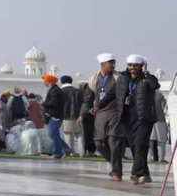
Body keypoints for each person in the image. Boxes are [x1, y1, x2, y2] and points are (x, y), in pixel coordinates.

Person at [97, 55, 160, 185]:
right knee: (135, 147)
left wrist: (146, 73)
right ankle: (146, 174)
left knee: (140, 145)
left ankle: (135, 172)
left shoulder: (147, 79)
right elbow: (112, 94)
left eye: (135, 65)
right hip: (126, 118)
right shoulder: (122, 79)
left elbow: (155, 85)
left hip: (143, 118)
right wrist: (99, 105)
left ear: (142, 66)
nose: (132, 68)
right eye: (130, 65)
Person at [81, 54, 123, 180]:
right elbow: (88, 100)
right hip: (100, 112)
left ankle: (116, 172)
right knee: (98, 142)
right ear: (102, 64)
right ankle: (116, 164)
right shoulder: (93, 80)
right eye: (110, 63)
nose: (113, 65)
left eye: (114, 62)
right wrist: (82, 114)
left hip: (115, 111)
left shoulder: (118, 78)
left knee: (113, 140)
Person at [41, 75, 71, 160]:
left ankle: (57, 153)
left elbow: (54, 103)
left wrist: (43, 104)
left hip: (54, 116)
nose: (45, 83)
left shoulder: (55, 91)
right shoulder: (54, 90)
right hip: (54, 115)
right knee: (54, 134)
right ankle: (66, 150)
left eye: (46, 82)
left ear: (50, 82)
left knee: (53, 134)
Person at [61, 76, 85, 155]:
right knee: (80, 134)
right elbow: (83, 104)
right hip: (78, 116)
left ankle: (71, 152)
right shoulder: (78, 91)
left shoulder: (61, 91)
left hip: (65, 116)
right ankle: (82, 152)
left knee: (68, 135)